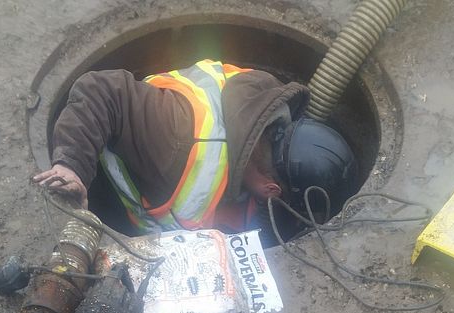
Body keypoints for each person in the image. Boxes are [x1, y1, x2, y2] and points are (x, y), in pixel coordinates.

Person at [33, 59, 357, 236]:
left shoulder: (266, 107)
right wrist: (72, 166)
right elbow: (102, 90)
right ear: (272, 190)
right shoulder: (175, 137)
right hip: (126, 196)